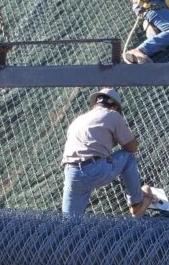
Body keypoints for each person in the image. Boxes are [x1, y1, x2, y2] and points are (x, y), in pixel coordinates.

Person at [61, 88, 153, 217]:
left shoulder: (78, 120)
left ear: (95, 104)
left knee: (69, 221)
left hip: (72, 174)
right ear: (114, 106)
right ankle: (137, 204)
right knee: (128, 157)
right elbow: (131, 147)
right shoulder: (112, 115)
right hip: (94, 170)